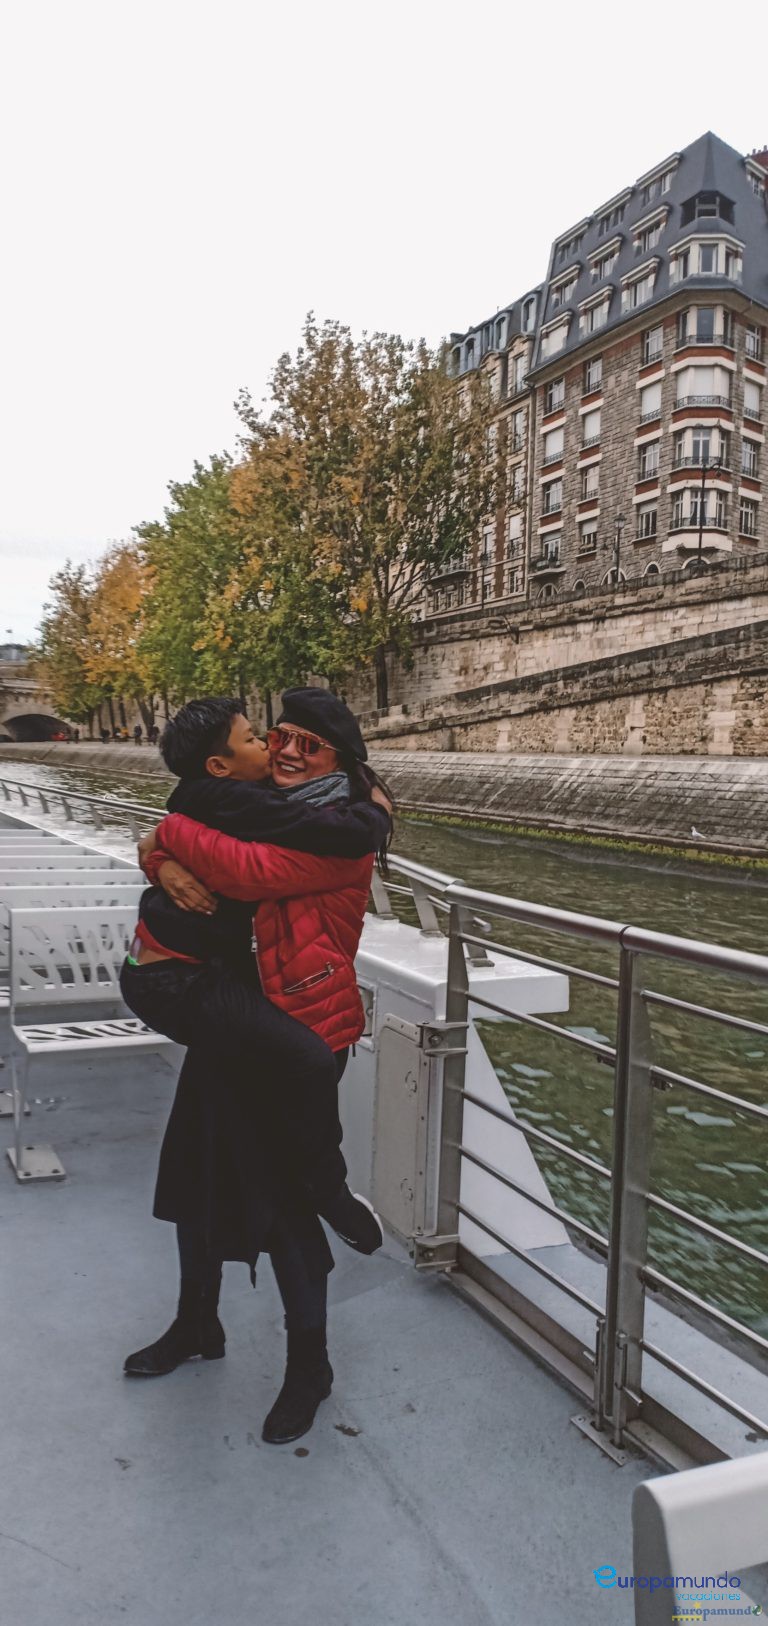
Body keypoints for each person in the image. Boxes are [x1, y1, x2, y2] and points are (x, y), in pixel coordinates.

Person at [123, 690, 393, 1444]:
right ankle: (197, 1322)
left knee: (284, 1204)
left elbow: (244, 872)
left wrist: (164, 835)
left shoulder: (342, 831)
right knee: (195, 1175)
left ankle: (311, 1365)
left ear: (340, 759)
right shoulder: (260, 805)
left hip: (299, 1028)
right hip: (235, 1018)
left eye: (312, 743)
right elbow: (210, 850)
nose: (288, 751)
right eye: (280, 736)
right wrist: (159, 856)